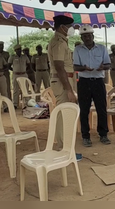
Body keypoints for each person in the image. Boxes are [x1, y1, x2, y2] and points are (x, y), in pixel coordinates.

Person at [73, 24, 111, 147]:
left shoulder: (101, 48)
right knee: (84, 110)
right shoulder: (78, 50)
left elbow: (108, 64)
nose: (87, 38)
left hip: (98, 81)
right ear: (82, 38)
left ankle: (103, 134)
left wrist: (102, 67)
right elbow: (75, 67)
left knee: (102, 109)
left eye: (88, 35)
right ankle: (85, 136)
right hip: (84, 82)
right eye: (84, 36)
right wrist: (84, 68)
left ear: (92, 36)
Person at [48, 15, 77, 149]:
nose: (72, 29)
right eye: (70, 26)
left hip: (65, 79)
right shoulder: (59, 42)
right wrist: (69, 90)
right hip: (62, 81)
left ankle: (65, 146)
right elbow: (59, 67)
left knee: (66, 111)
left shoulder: (62, 41)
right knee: (63, 112)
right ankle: (63, 147)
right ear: (62, 27)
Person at [8, 44, 30, 108]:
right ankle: (15, 104)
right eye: (17, 50)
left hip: (24, 74)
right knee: (15, 90)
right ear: (15, 50)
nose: (19, 51)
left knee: (25, 89)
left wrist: (25, 70)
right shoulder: (12, 57)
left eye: (20, 49)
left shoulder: (25, 57)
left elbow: (28, 64)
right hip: (16, 74)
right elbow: (9, 65)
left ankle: (27, 103)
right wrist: (14, 70)